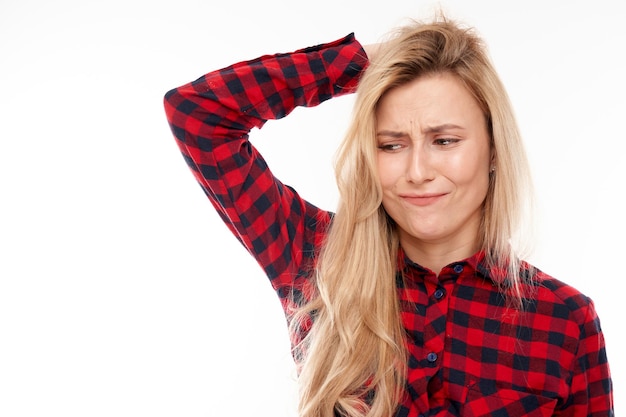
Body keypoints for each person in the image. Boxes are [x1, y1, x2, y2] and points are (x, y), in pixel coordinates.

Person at [163, 14, 613, 417]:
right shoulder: (317, 261)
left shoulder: (566, 320)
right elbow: (198, 114)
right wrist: (361, 63)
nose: (417, 172)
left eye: (445, 141)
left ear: (494, 150)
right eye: (391, 145)